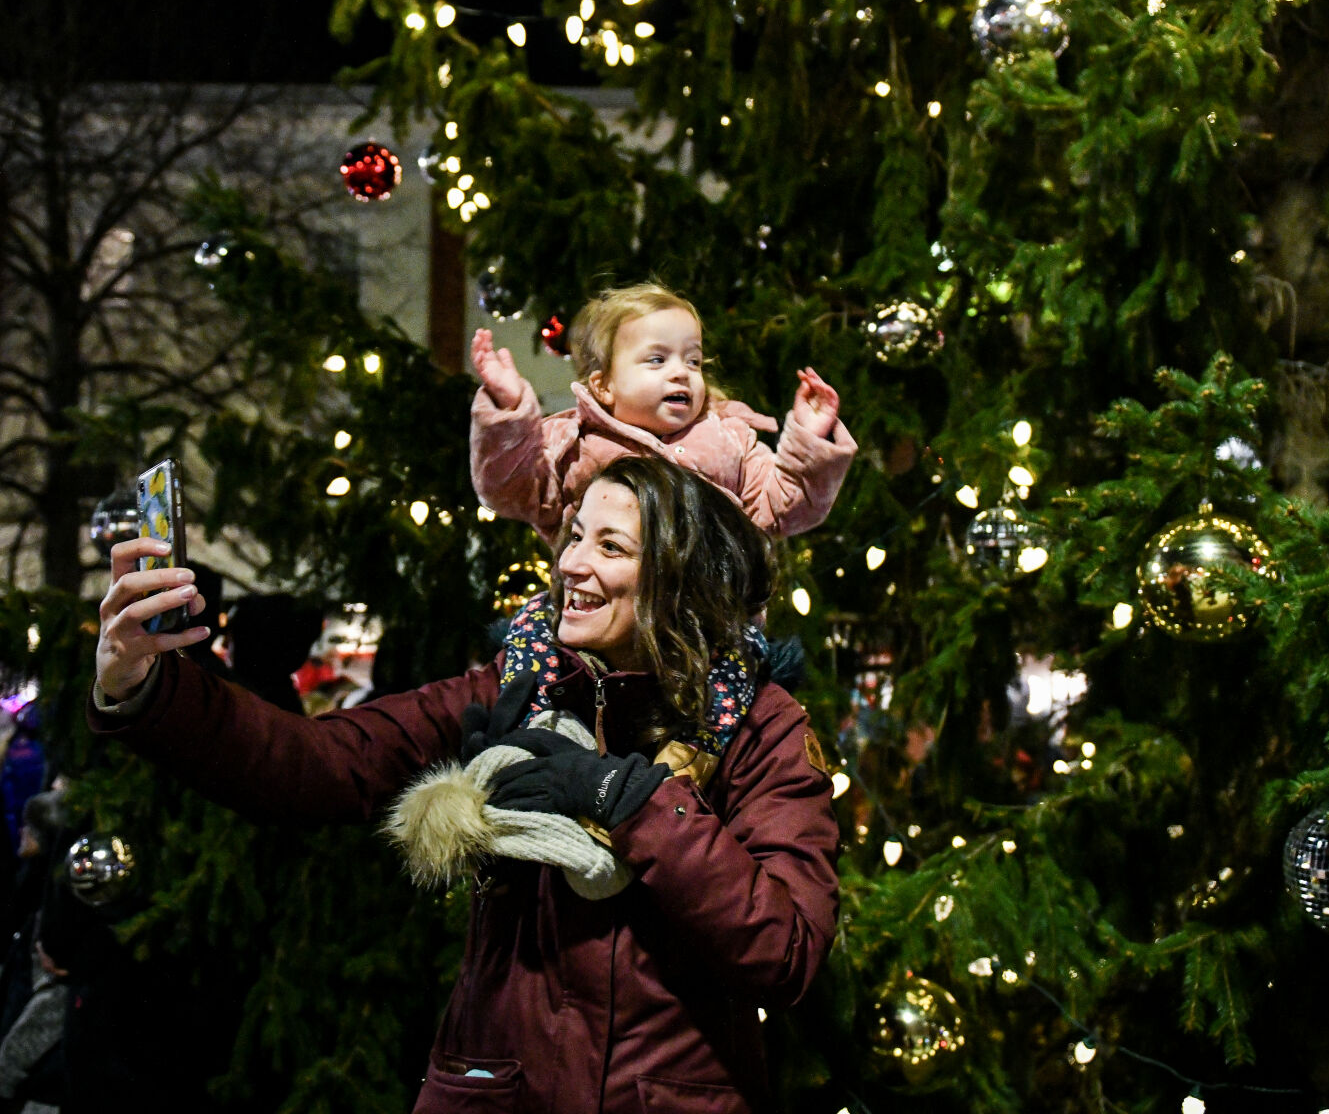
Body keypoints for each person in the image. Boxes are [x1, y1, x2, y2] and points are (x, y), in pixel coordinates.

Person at [88, 456, 839, 1114]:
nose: (573, 564)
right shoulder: (515, 687)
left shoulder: (760, 727)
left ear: (680, 579)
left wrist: (631, 802)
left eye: (610, 547)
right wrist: (150, 686)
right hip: (494, 1091)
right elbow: (316, 763)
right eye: (575, 534)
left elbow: (787, 949)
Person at [471, 281, 856, 549]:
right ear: (604, 386)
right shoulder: (575, 442)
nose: (681, 372)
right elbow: (511, 488)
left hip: (706, 631)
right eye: (657, 359)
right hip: (601, 630)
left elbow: (785, 506)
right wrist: (508, 409)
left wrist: (809, 437)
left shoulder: (729, 439)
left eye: (693, 360)